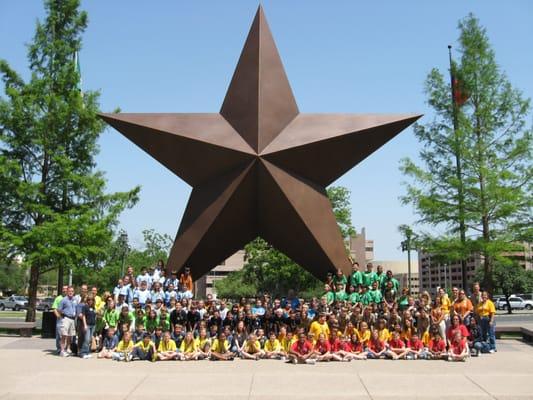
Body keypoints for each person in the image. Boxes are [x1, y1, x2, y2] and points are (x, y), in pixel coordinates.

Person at [57, 286, 77, 357]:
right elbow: (59, 309)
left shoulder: (74, 300)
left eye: (72, 291)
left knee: (70, 336)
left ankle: (68, 349)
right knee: (64, 335)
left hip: (72, 319)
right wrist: (61, 316)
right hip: (66, 318)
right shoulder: (64, 300)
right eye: (69, 291)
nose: (71, 292)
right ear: (67, 291)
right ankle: (62, 351)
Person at [52, 285, 68, 354]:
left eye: (66, 289)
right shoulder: (58, 298)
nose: (64, 290)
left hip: (68, 319)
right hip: (60, 319)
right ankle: (59, 348)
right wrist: (58, 316)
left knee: (67, 334)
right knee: (59, 334)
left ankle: (66, 348)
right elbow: (54, 308)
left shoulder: (70, 298)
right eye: (63, 289)